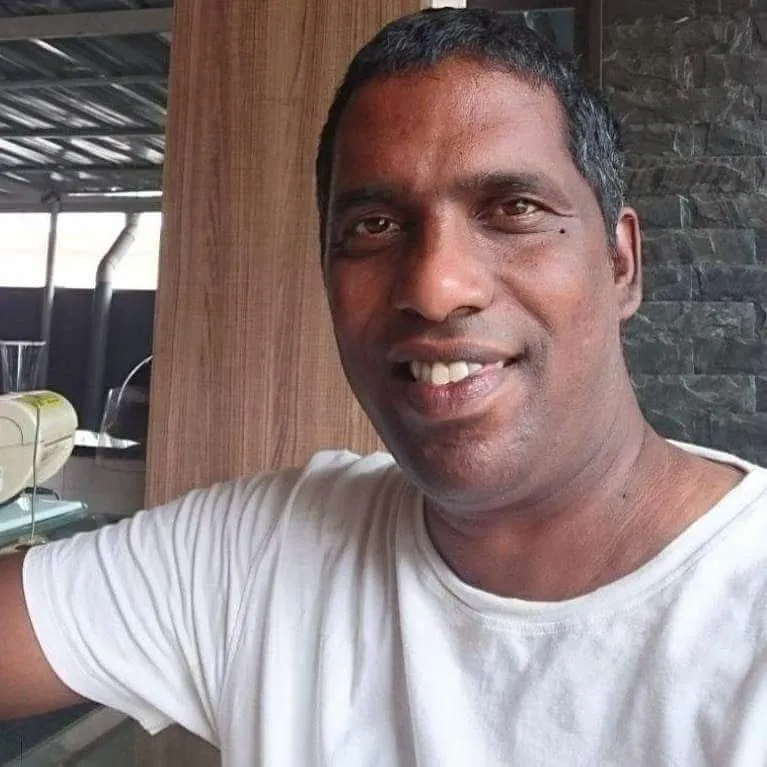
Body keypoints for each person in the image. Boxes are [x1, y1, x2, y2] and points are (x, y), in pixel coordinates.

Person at [1, 7, 766, 765]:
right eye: (373, 226)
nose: (435, 288)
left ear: (620, 262)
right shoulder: (258, 555)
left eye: (513, 209)